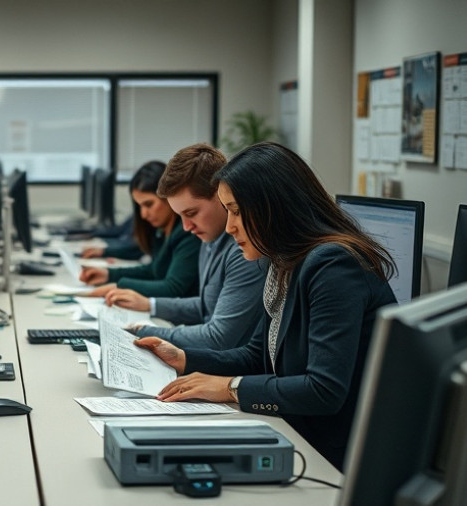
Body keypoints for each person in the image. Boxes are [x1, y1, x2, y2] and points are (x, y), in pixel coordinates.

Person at [134, 142, 397, 470]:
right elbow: (256, 355)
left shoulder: (333, 264)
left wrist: (229, 388)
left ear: (272, 207)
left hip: (333, 457)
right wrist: (183, 358)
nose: (230, 227)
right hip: (300, 436)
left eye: (237, 211)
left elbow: (323, 389)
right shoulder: (286, 263)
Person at [105, 143, 266, 350]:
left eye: (191, 214)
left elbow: (218, 337)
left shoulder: (245, 251)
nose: (186, 227)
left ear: (222, 196)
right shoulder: (210, 239)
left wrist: (141, 330)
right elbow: (206, 305)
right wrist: (151, 305)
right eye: (180, 216)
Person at [79, 161, 200, 297]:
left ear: (169, 197)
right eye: (140, 206)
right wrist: (109, 274)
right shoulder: (161, 230)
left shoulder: (189, 232)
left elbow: (173, 288)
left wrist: (119, 286)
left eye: (149, 204)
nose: (143, 214)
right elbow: (155, 271)